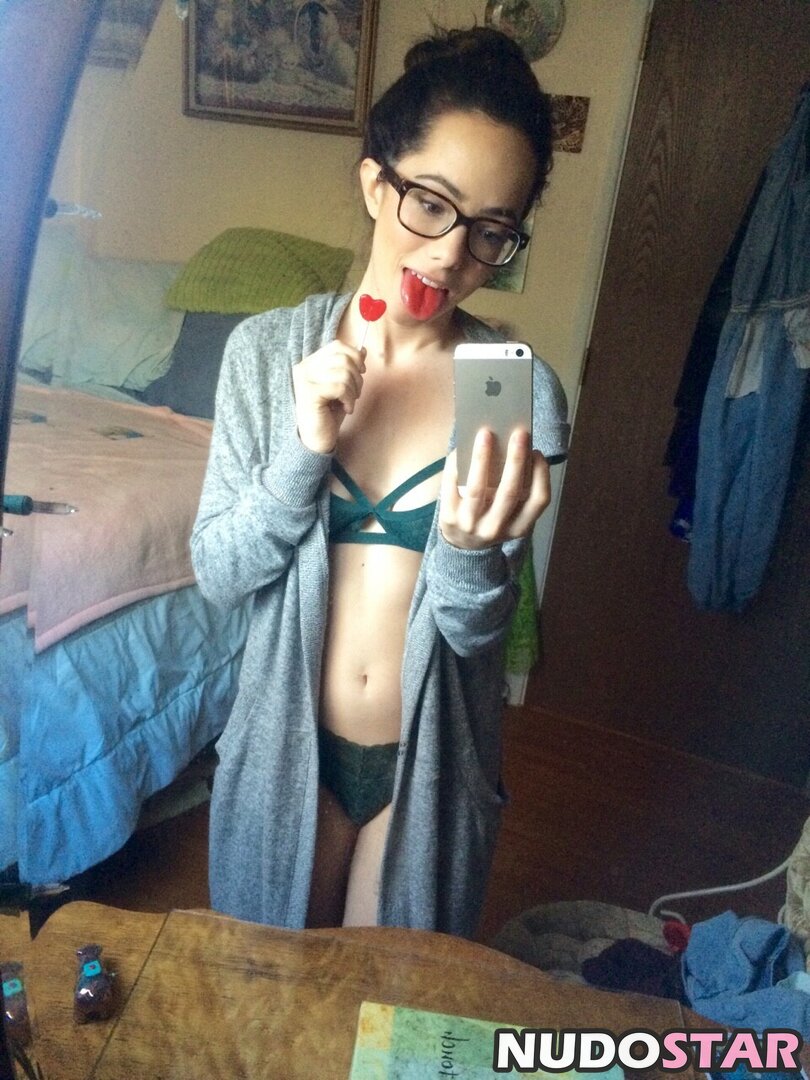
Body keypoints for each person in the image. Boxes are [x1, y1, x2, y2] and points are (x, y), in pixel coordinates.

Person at [190, 25, 570, 937]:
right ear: (375, 183)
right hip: (283, 760)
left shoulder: (507, 385)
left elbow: (476, 635)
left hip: (429, 775)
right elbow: (220, 571)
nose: (449, 256)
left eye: (491, 231)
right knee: (269, 999)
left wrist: (472, 551)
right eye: (431, 205)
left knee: (388, 1011)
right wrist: (300, 453)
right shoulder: (267, 354)